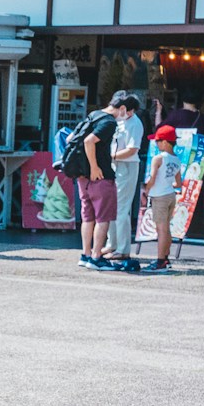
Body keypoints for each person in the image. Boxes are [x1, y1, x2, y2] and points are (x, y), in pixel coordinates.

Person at [76, 99, 120, 271]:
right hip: (100, 176)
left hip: (82, 177)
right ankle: (96, 257)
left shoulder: (92, 116)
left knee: (87, 217)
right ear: (122, 108)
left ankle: (85, 254)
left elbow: (73, 138)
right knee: (103, 218)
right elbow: (89, 141)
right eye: (129, 111)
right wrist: (95, 167)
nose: (128, 115)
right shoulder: (109, 122)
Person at [101, 91, 144, 271]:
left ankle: (123, 248)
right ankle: (112, 244)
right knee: (111, 206)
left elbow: (133, 149)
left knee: (121, 208)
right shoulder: (118, 120)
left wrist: (112, 156)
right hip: (115, 166)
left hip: (126, 167)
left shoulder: (135, 123)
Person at [142, 124, 181, 273]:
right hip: (171, 195)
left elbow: (152, 178)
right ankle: (166, 258)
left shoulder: (158, 158)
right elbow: (178, 183)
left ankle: (160, 262)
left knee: (161, 229)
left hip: (159, 196)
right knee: (167, 228)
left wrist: (146, 189)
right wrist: (167, 182)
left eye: (157, 141)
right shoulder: (176, 159)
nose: (156, 143)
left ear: (164, 142)